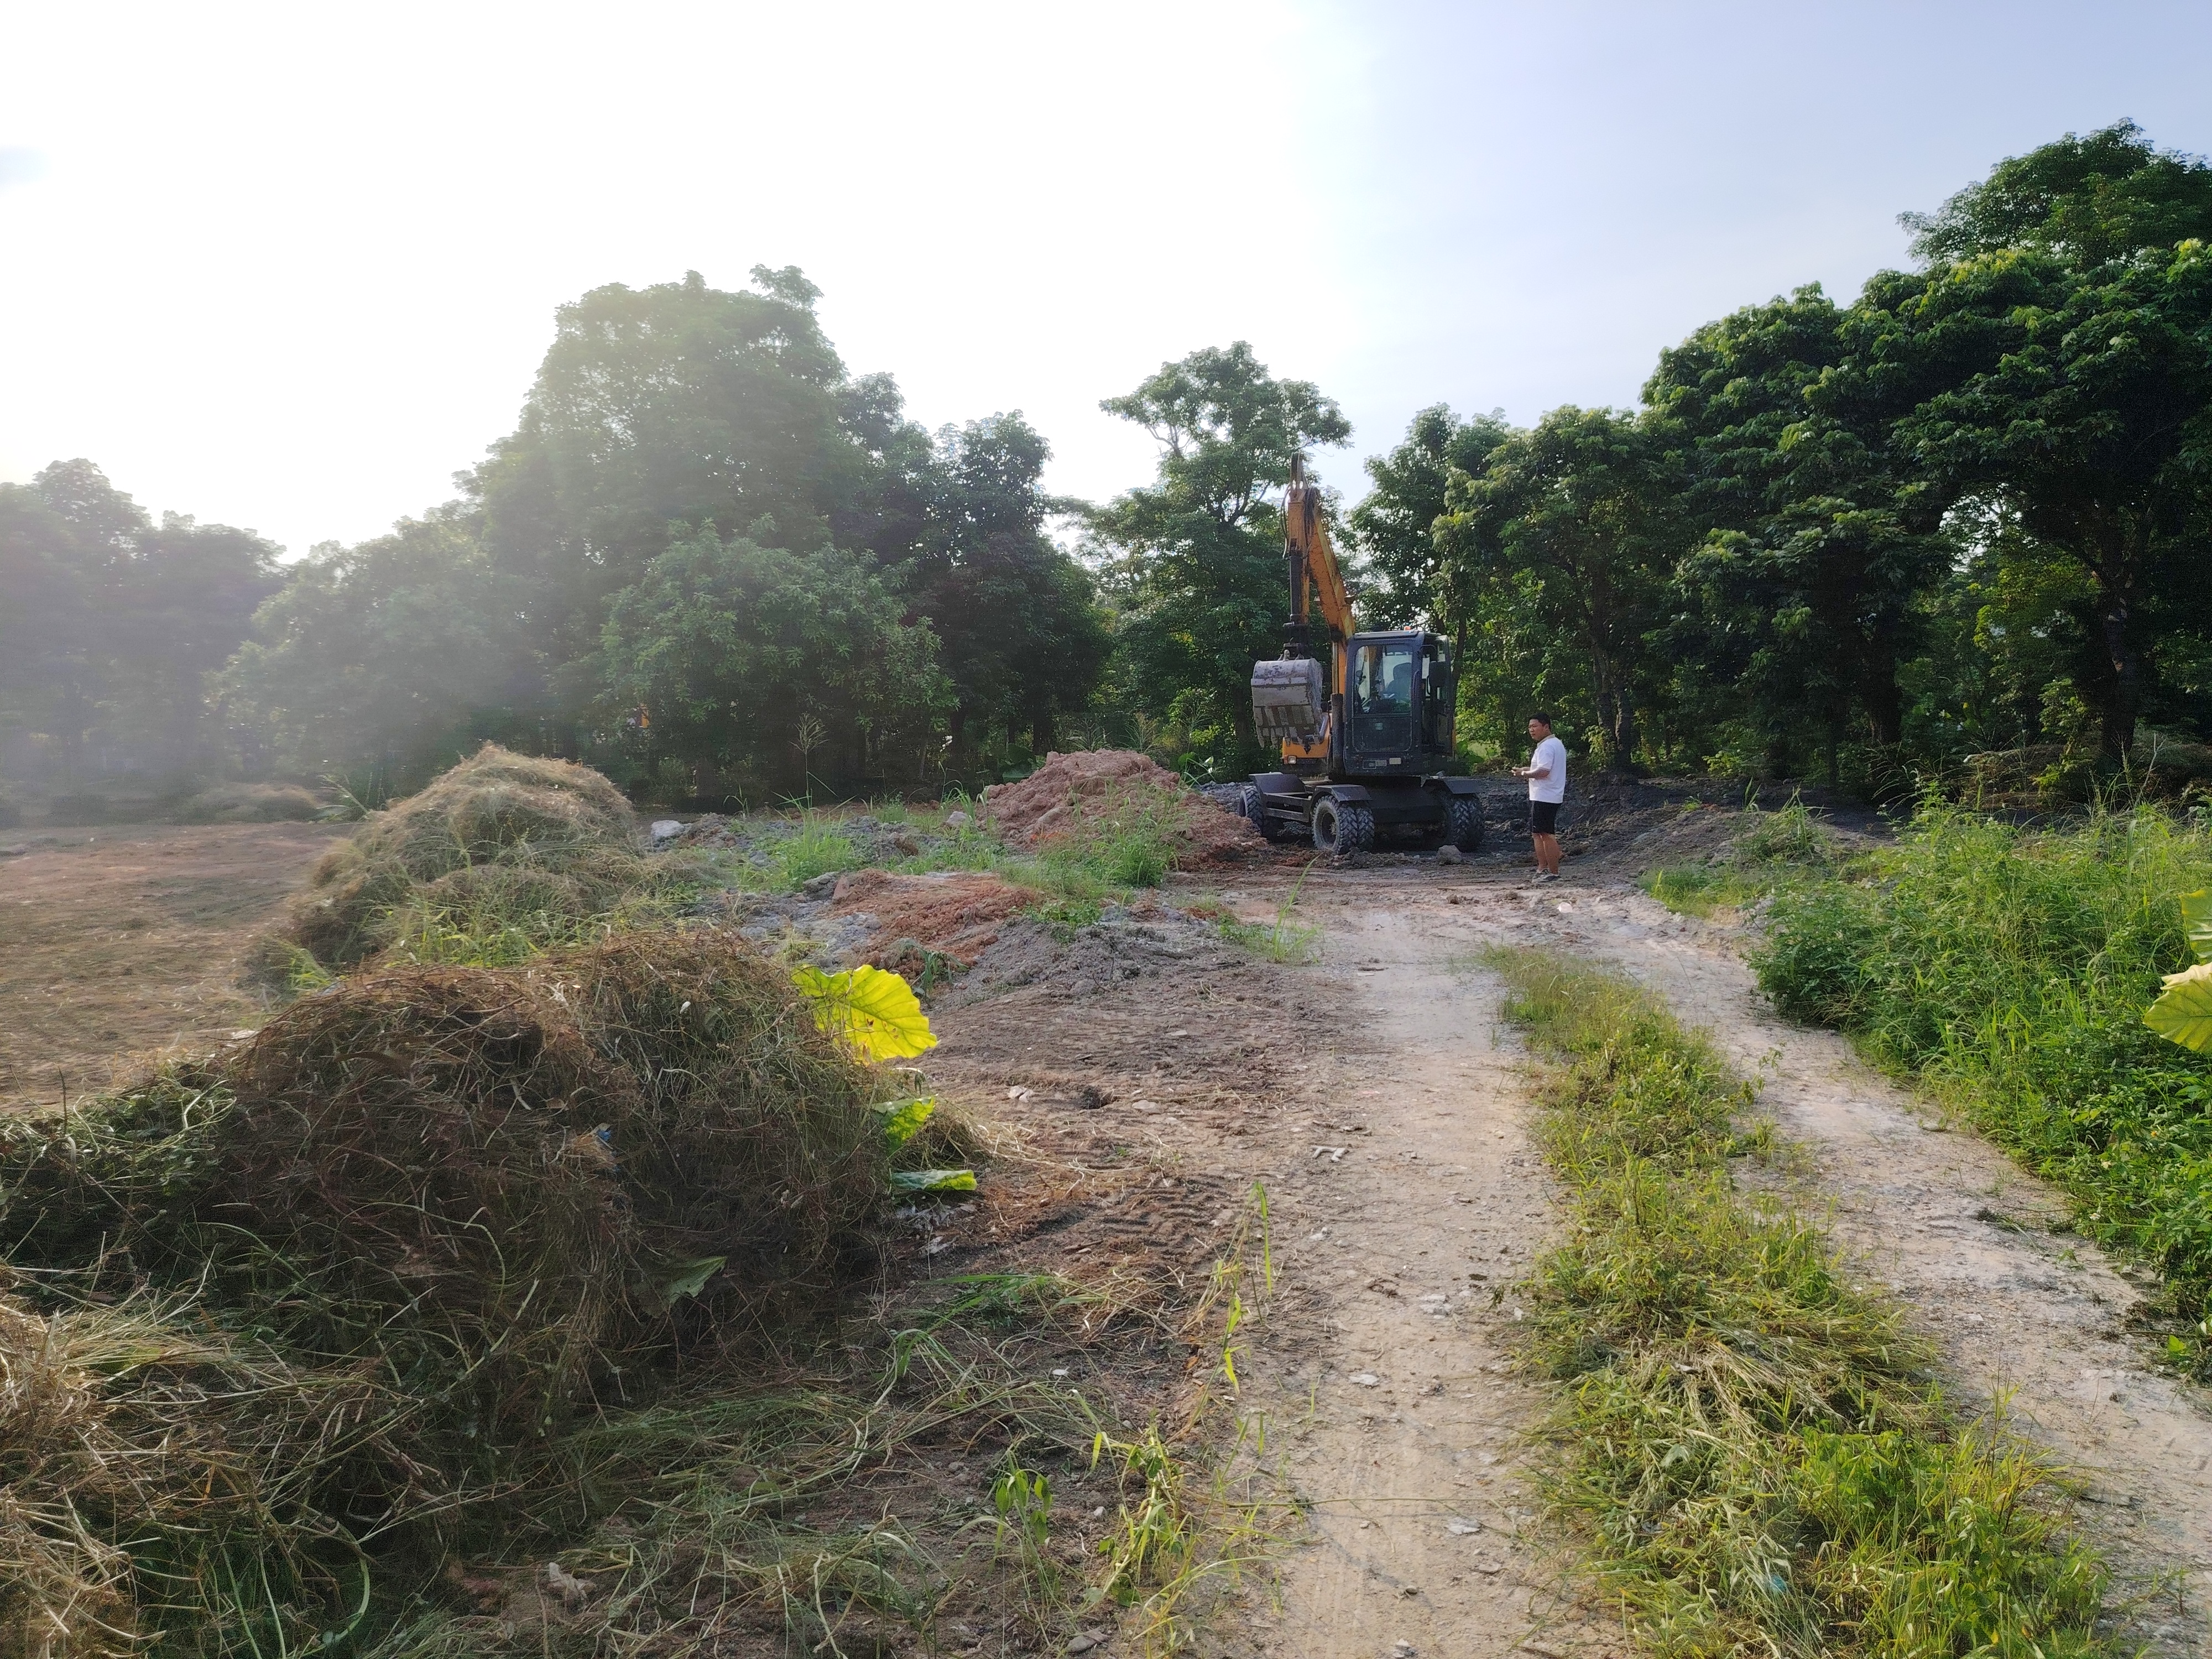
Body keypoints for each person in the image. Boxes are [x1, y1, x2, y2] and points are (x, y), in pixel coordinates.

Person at [1512, 714, 1566, 881]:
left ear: (1546, 727)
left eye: (1535, 726)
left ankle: (1554, 872)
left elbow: (1543, 771)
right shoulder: (1553, 744)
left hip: (1546, 796)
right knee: (1538, 833)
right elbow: (1542, 768)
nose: (1531, 730)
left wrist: (1525, 774)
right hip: (1546, 795)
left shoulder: (1547, 746)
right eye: (1530, 727)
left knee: (1546, 834)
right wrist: (1526, 769)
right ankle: (1542, 868)